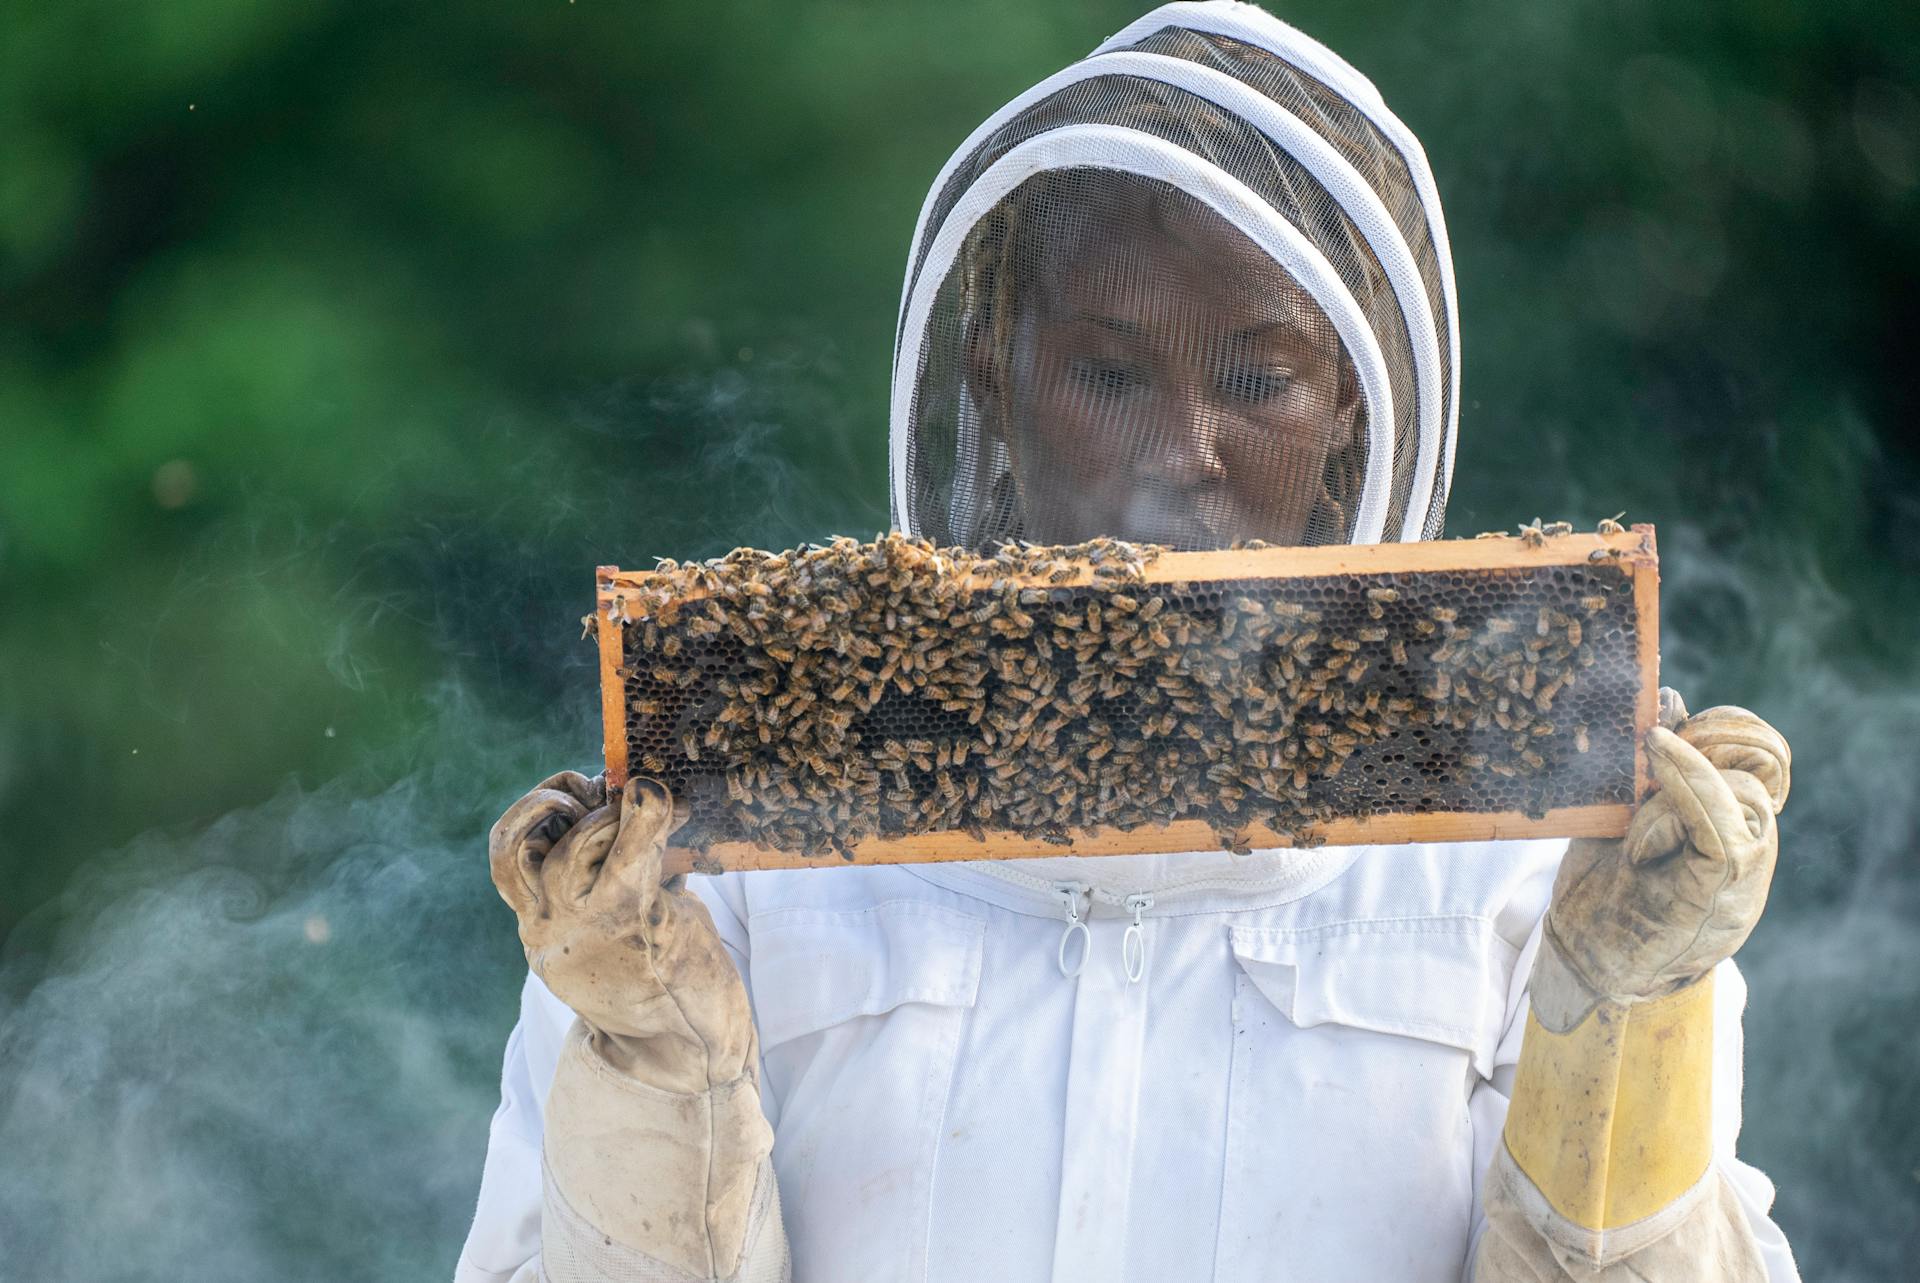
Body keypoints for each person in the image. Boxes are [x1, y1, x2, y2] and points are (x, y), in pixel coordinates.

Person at [455, 5, 1800, 1280]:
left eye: (1258, 379)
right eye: (1108, 373)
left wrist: (1621, 1012)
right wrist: (652, 1062)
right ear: (999, 379)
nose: (1178, 454)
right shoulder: (717, 862)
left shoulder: (1530, 878)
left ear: (1348, 409)